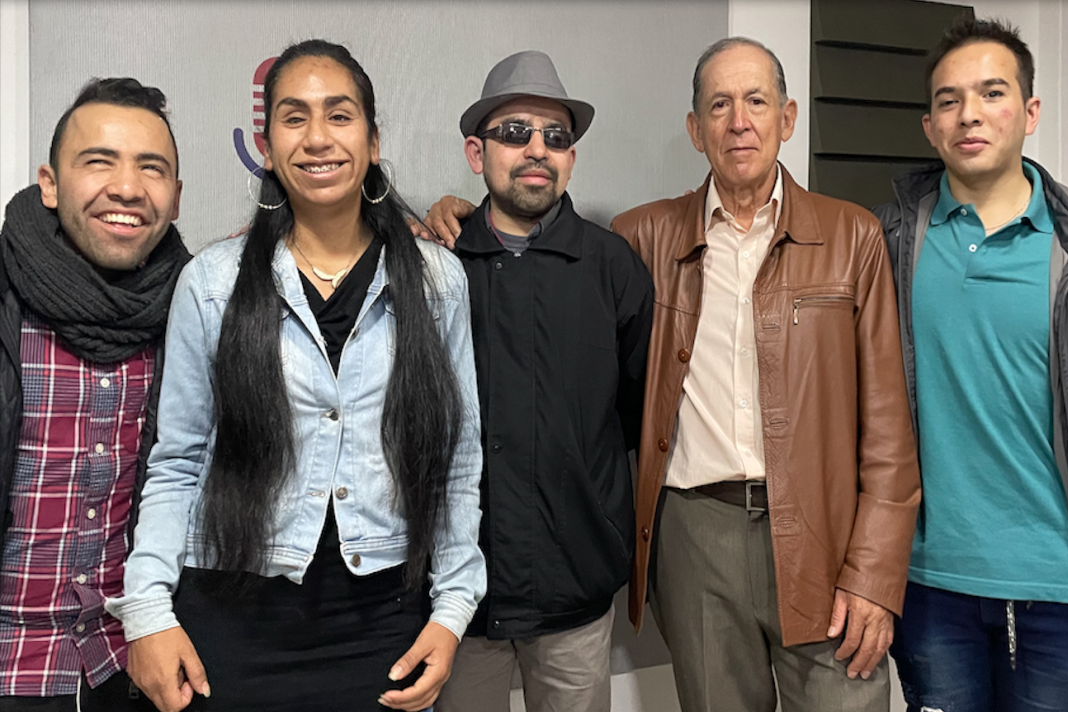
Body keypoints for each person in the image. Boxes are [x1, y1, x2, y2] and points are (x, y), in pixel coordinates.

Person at [424, 36, 920, 712]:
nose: (738, 121)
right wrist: (451, 214)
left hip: (822, 535)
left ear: (789, 117)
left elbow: (890, 428)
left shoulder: (853, 235)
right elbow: (627, 393)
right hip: (697, 536)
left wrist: (875, 577)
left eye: (756, 101)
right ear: (695, 129)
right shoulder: (643, 240)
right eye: (719, 105)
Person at [105, 40, 484, 712]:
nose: (317, 138)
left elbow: (455, 461)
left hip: (384, 620)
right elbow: (176, 463)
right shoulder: (213, 283)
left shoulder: (438, 283)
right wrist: (149, 613)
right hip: (232, 614)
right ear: (267, 143)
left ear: (372, 140)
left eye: (339, 116)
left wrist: (453, 610)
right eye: (293, 117)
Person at [874, 17, 1068, 712]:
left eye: (992, 92)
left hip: (1064, 593)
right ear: (928, 125)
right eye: (948, 100)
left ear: (1030, 112)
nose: (969, 114)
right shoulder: (885, 243)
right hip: (931, 590)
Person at [428, 51, 653, 712]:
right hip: (457, 596)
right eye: (514, 132)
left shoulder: (613, 265)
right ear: (477, 152)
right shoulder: (437, 266)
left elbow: (636, 410)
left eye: (556, 137)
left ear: (572, 158)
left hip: (574, 589)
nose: (536, 150)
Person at [0, 78, 188, 711]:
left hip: (128, 671)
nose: (128, 188)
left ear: (177, 197)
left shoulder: (194, 307)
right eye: (99, 161)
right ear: (49, 183)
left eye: (151, 168)